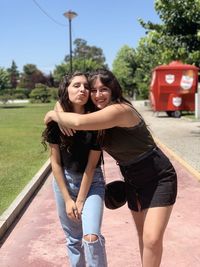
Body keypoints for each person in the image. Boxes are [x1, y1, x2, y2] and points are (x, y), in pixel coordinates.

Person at [44, 69, 177, 267]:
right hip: (132, 179)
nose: (98, 95)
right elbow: (69, 103)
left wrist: (52, 114)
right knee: (143, 237)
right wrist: (58, 109)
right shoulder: (97, 112)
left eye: (103, 89)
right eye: (94, 90)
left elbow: (79, 122)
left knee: (152, 239)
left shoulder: (120, 110)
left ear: (113, 90)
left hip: (157, 176)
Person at [42, 71, 107, 267]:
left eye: (86, 86)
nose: (83, 90)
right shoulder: (56, 123)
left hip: (92, 181)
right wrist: (68, 199)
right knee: (73, 240)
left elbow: (91, 164)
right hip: (64, 184)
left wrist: (79, 200)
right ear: (66, 90)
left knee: (91, 237)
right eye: (76, 85)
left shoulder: (96, 120)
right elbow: (55, 163)